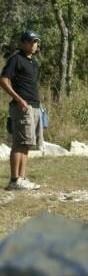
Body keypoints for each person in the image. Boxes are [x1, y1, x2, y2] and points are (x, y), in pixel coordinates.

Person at [1, 31, 43, 190]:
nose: (34, 45)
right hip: (21, 108)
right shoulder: (15, 59)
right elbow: (3, 80)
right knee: (19, 143)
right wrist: (19, 99)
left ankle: (22, 179)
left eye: (36, 42)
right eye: (31, 41)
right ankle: (14, 180)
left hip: (34, 107)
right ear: (23, 43)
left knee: (27, 144)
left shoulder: (34, 62)